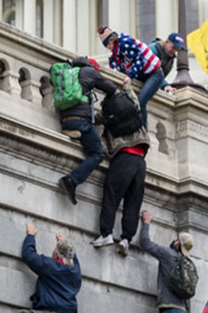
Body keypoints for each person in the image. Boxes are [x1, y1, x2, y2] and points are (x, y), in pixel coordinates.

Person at [91, 76, 149, 256]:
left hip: (124, 156)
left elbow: (94, 119)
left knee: (111, 192)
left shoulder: (108, 114)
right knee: (133, 200)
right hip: (140, 160)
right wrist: (127, 84)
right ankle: (126, 239)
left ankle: (106, 233)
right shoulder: (131, 105)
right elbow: (136, 101)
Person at [57, 56, 117, 205]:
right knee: (97, 154)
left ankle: (74, 133)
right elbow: (109, 88)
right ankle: (71, 180)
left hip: (66, 120)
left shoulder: (69, 72)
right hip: (80, 121)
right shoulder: (89, 71)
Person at [98, 26, 163, 128]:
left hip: (154, 73)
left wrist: (131, 77)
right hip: (142, 76)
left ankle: (143, 130)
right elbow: (117, 74)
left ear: (111, 41)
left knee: (141, 101)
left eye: (107, 45)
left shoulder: (125, 42)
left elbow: (139, 58)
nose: (108, 48)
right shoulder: (114, 58)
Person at [140, 210, 194, 313]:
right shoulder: (186, 263)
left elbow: (145, 242)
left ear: (177, 243)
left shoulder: (167, 254)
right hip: (182, 309)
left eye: (175, 238)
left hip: (170, 308)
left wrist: (146, 223)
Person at [21, 223, 82, 313]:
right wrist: (65, 243)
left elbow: (29, 256)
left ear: (56, 254)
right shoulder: (75, 271)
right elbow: (72, 259)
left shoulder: (51, 266)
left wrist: (30, 235)